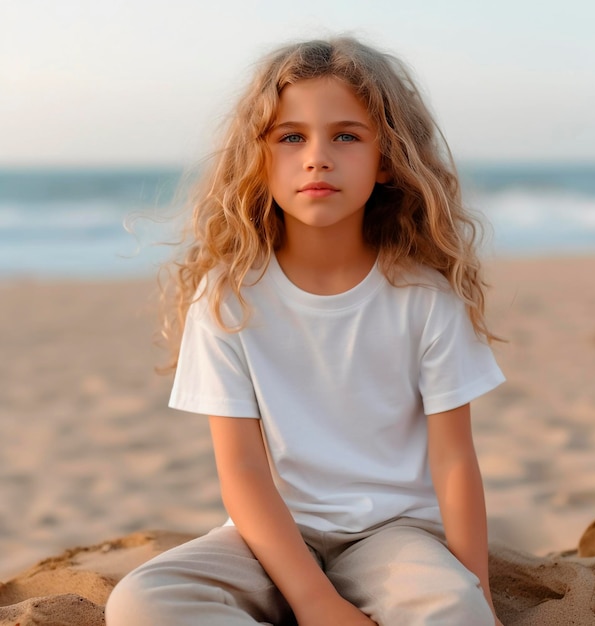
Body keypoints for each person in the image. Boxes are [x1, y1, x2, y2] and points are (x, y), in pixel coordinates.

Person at [106, 36, 506, 626]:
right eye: (291, 137)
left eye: (346, 135)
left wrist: (481, 596)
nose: (317, 157)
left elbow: (454, 460)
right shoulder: (227, 297)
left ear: (388, 158)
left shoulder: (426, 298)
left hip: (395, 536)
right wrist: (316, 602)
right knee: (142, 602)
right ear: (258, 158)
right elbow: (241, 471)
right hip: (274, 536)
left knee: (453, 608)